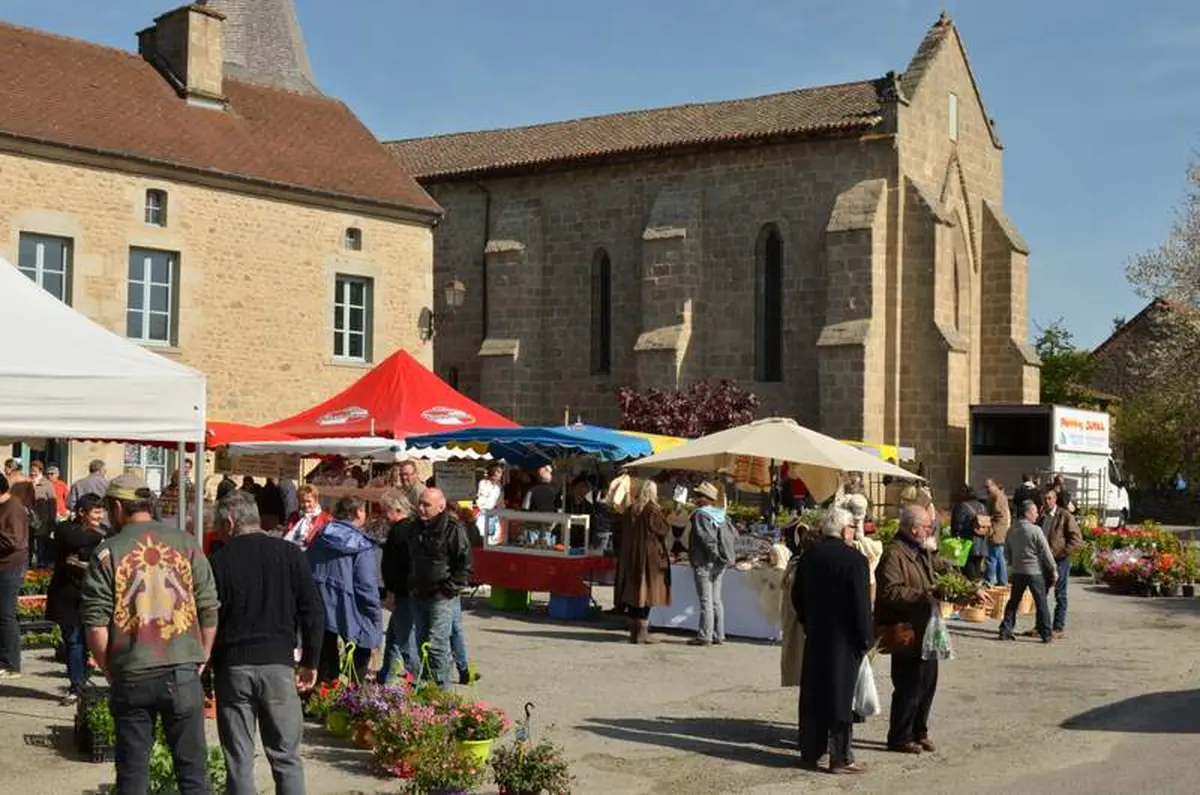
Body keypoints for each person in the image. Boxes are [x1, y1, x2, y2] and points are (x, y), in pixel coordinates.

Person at [80, 473, 219, 795]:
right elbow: (209, 606)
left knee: (132, 774)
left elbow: (96, 623)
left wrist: (109, 668)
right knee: (194, 773)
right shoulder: (186, 543)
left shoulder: (106, 552)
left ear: (117, 507)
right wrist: (203, 654)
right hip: (183, 668)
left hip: (132, 672)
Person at [209, 492, 324, 795]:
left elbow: (207, 620)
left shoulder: (219, 561)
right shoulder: (290, 554)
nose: (219, 531)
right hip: (278, 665)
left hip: (233, 667)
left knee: (239, 758)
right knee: (286, 757)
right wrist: (311, 661)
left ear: (230, 523)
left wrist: (206, 669)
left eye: (219, 525)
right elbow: (312, 610)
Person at [875, 505, 986, 755]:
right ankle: (900, 737)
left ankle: (920, 730)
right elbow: (889, 591)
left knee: (927, 683)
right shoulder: (894, 554)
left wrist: (969, 589)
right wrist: (926, 595)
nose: (931, 530)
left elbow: (946, 569)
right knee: (909, 684)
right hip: (906, 628)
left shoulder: (921, 550)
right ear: (914, 528)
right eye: (928, 526)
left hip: (926, 627)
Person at [792, 507, 873, 774]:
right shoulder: (855, 561)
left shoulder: (809, 557)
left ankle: (810, 753)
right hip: (845, 639)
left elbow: (797, 597)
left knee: (814, 695)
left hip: (817, 635)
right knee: (841, 698)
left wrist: (808, 622)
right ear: (844, 530)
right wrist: (865, 639)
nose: (854, 533)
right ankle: (840, 757)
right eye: (852, 528)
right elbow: (861, 605)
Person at [307, 496, 382, 684]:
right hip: (350, 606)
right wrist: (374, 615)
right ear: (357, 512)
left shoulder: (321, 535)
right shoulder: (361, 545)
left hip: (319, 602)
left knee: (325, 655)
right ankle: (352, 702)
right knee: (361, 650)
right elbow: (366, 586)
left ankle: (321, 699)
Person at [45, 493, 110, 703]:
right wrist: (99, 539)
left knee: (89, 639)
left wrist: (84, 562)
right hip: (67, 594)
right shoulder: (65, 529)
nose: (100, 516)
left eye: (102, 511)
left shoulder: (105, 532)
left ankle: (84, 673)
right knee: (73, 640)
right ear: (82, 512)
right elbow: (74, 539)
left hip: (92, 594)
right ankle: (77, 686)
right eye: (96, 512)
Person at [409, 488, 472, 687]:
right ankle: (428, 689)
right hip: (419, 593)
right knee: (422, 645)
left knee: (437, 646)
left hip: (441, 596)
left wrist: (448, 589)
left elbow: (464, 564)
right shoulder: (415, 527)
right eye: (420, 503)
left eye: (426, 505)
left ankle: (443, 694)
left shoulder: (452, 529)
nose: (421, 508)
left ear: (441, 506)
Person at [616, 480, 671, 645]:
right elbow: (662, 530)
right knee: (647, 594)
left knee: (634, 594)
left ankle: (634, 631)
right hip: (649, 558)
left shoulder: (630, 510)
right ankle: (642, 632)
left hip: (630, 557)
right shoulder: (652, 511)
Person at [999, 500, 1056, 643]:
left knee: (1013, 601)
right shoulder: (1035, 530)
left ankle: (1005, 629)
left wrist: (1012, 565)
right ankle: (1046, 633)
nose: (1037, 515)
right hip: (1034, 571)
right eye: (1035, 512)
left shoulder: (1012, 530)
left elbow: (1006, 552)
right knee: (1040, 602)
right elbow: (1045, 552)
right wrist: (1053, 568)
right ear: (1027, 513)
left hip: (1018, 571)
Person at [687, 481, 734, 647]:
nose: (695, 498)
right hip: (720, 562)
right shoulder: (721, 514)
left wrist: (714, 555)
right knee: (716, 600)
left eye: (697, 495)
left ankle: (705, 635)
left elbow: (706, 538)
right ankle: (718, 634)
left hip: (704, 561)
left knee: (706, 600)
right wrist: (721, 557)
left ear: (703, 498)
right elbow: (733, 536)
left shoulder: (700, 515)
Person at [379, 490, 419, 683]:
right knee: (394, 637)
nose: (384, 516)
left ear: (396, 509)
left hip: (403, 592)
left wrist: (390, 592)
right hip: (408, 590)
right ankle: (385, 674)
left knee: (405, 640)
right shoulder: (411, 528)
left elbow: (393, 565)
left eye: (385, 511)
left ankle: (416, 681)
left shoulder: (399, 531)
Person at [1040, 488, 1082, 638]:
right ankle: (1041, 626)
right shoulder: (1041, 516)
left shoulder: (1064, 516)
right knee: (1041, 594)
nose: (1047, 501)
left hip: (1060, 561)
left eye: (1049, 498)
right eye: (1044, 498)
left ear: (1055, 499)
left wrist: (1061, 554)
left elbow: (1077, 540)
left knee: (1060, 595)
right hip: (1044, 561)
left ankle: (1058, 628)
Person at [0, 473, 30, 680]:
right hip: (3, 565)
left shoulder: (13, 508)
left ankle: (11, 663)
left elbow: (15, 542)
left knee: (5, 615)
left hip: (11, 566)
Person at [950, 484, 989, 580]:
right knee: (977, 569)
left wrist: (955, 537)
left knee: (968, 572)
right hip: (982, 542)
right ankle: (977, 587)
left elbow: (957, 524)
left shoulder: (962, 506)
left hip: (967, 542)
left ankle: (972, 591)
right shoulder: (982, 506)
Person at [283, 485, 332, 550]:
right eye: (302, 501)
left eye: (309, 501)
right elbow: (286, 534)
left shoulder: (326, 518)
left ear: (316, 501)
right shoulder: (294, 516)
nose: (306, 505)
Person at [984, 478, 1012, 586]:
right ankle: (1002, 580)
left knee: (993, 557)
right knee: (999, 556)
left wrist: (989, 519)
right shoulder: (997, 496)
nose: (986, 490)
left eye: (987, 487)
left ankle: (990, 579)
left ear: (993, 485)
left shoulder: (997, 496)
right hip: (999, 531)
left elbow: (999, 514)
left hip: (997, 530)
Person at [473, 463, 504, 546]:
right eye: (500, 472)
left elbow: (499, 501)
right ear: (495, 473)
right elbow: (482, 501)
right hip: (485, 514)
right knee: (484, 540)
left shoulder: (498, 485)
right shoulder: (483, 483)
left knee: (494, 540)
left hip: (494, 514)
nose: (501, 475)